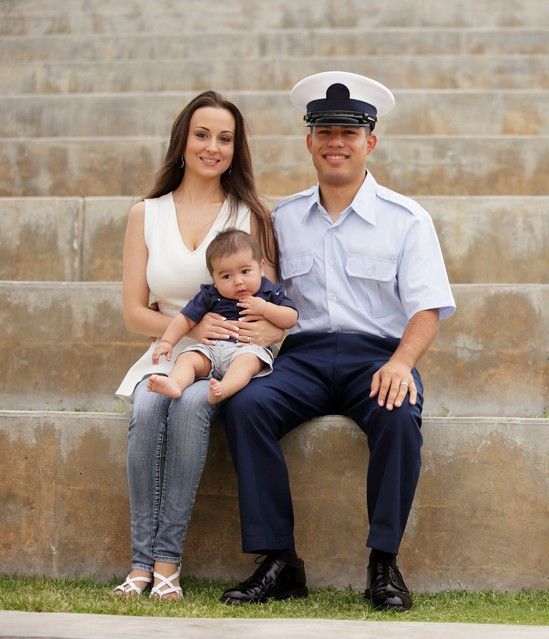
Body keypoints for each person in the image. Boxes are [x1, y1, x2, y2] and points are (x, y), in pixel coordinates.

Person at [220, 71, 456, 611]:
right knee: (246, 404)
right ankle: (280, 561)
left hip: (375, 356)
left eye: (349, 132)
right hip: (300, 358)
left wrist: (401, 363)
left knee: (399, 413)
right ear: (309, 141)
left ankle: (384, 564)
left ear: (369, 142)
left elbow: (427, 308)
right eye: (324, 131)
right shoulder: (282, 218)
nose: (336, 142)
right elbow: (267, 293)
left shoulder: (406, 220)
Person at [113, 90, 282, 600]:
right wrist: (190, 329)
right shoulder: (146, 213)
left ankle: (167, 563)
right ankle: (139, 564)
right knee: (148, 403)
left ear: (237, 148)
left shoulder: (248, 213)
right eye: (202, 135)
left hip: (228, 356)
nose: (213, 147)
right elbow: (132, 311)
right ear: (182, 142)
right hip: (167, 350)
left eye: (225, 138)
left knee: (188, 406)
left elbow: (271, 309)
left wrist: (247, 340)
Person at [147, 228, 298, 404]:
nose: (238, 281)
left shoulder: (269, 292)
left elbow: (291, 318)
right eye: (226, 276)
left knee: (246, 364)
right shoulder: (210, 295)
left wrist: (265, 309)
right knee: (187, 358)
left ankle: (224, 389)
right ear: (214, 279)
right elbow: (185, 319)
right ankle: (175, 384)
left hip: (247, 349)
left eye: (245, 271)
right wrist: (167, 342)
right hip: (211, 349)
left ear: (261, 268)